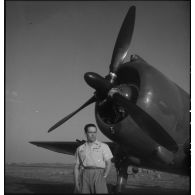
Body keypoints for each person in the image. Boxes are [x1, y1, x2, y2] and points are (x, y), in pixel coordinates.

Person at [74, 123, 113, 194]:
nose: (93, 134)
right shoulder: (80, 149)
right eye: (90, 132)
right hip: (84, 174)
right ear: (86, 133)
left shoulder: (103, 146)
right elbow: (76, 166)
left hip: (99, 174)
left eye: (95, 132)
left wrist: (104, 176)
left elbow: (109, 163)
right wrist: (76, 182)